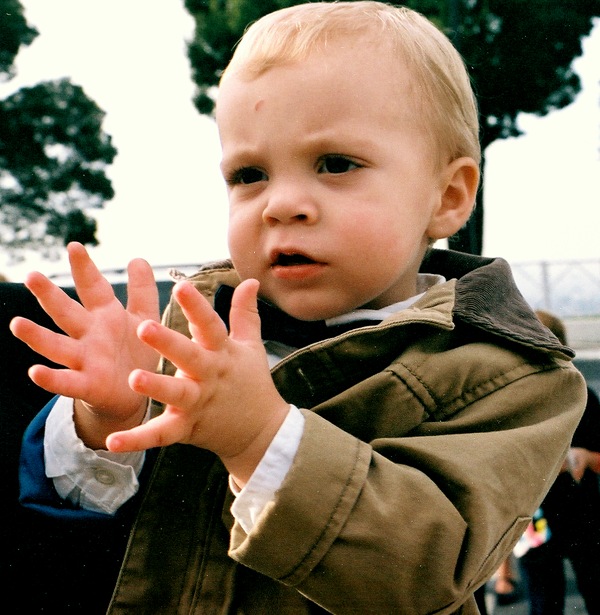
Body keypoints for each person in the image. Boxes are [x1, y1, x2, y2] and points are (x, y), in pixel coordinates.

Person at [9, 3, 586, 613]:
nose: (280, 204)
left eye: (336, 164)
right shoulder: (188, 332)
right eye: (249, 174)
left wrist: (259, 437)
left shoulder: (512, 378)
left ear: (446, 197)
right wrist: (107, 420)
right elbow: (78, 522)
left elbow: (425, 573)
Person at [514, 310, 600, 615]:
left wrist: (584, 456)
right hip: (537, 518)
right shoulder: (513, 401)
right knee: (544, 600)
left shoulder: (582, 395)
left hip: (578, 514)